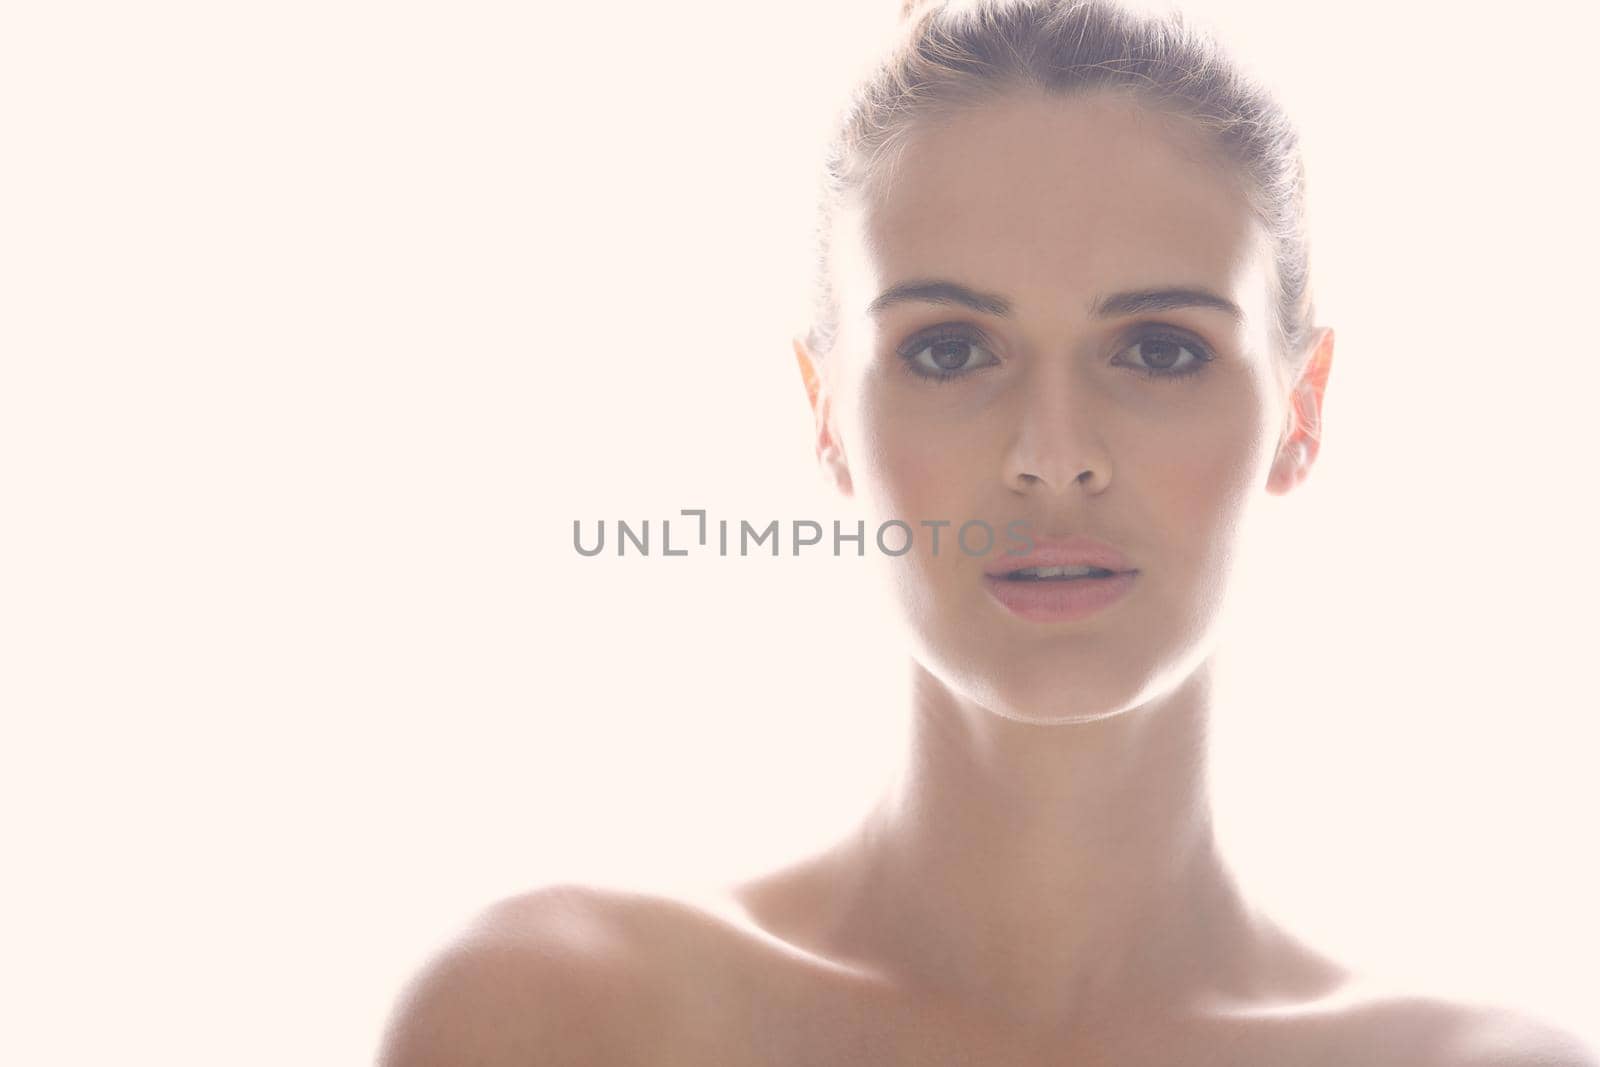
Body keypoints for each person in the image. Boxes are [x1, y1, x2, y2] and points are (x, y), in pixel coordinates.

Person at [377, 1, 1598, 1063]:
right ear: (826, 416)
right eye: (950, 350)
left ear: (1303, 406)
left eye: (1159, 348)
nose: (1050, 451)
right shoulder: (556, 1023)